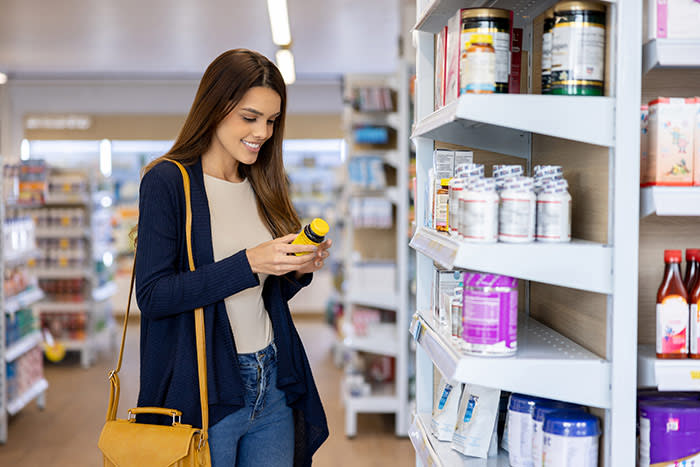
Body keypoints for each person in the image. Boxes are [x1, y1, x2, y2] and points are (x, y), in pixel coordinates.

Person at [133, 49, 330, 467]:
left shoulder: (262, 180)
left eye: (272, 121)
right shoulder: (168, 181)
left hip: (273, 377)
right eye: (250, 116)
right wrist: (251, 262)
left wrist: (293, 267)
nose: (263, 132)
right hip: (208, 388)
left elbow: (260, 296)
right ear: (216, 107)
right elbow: (153, 296)